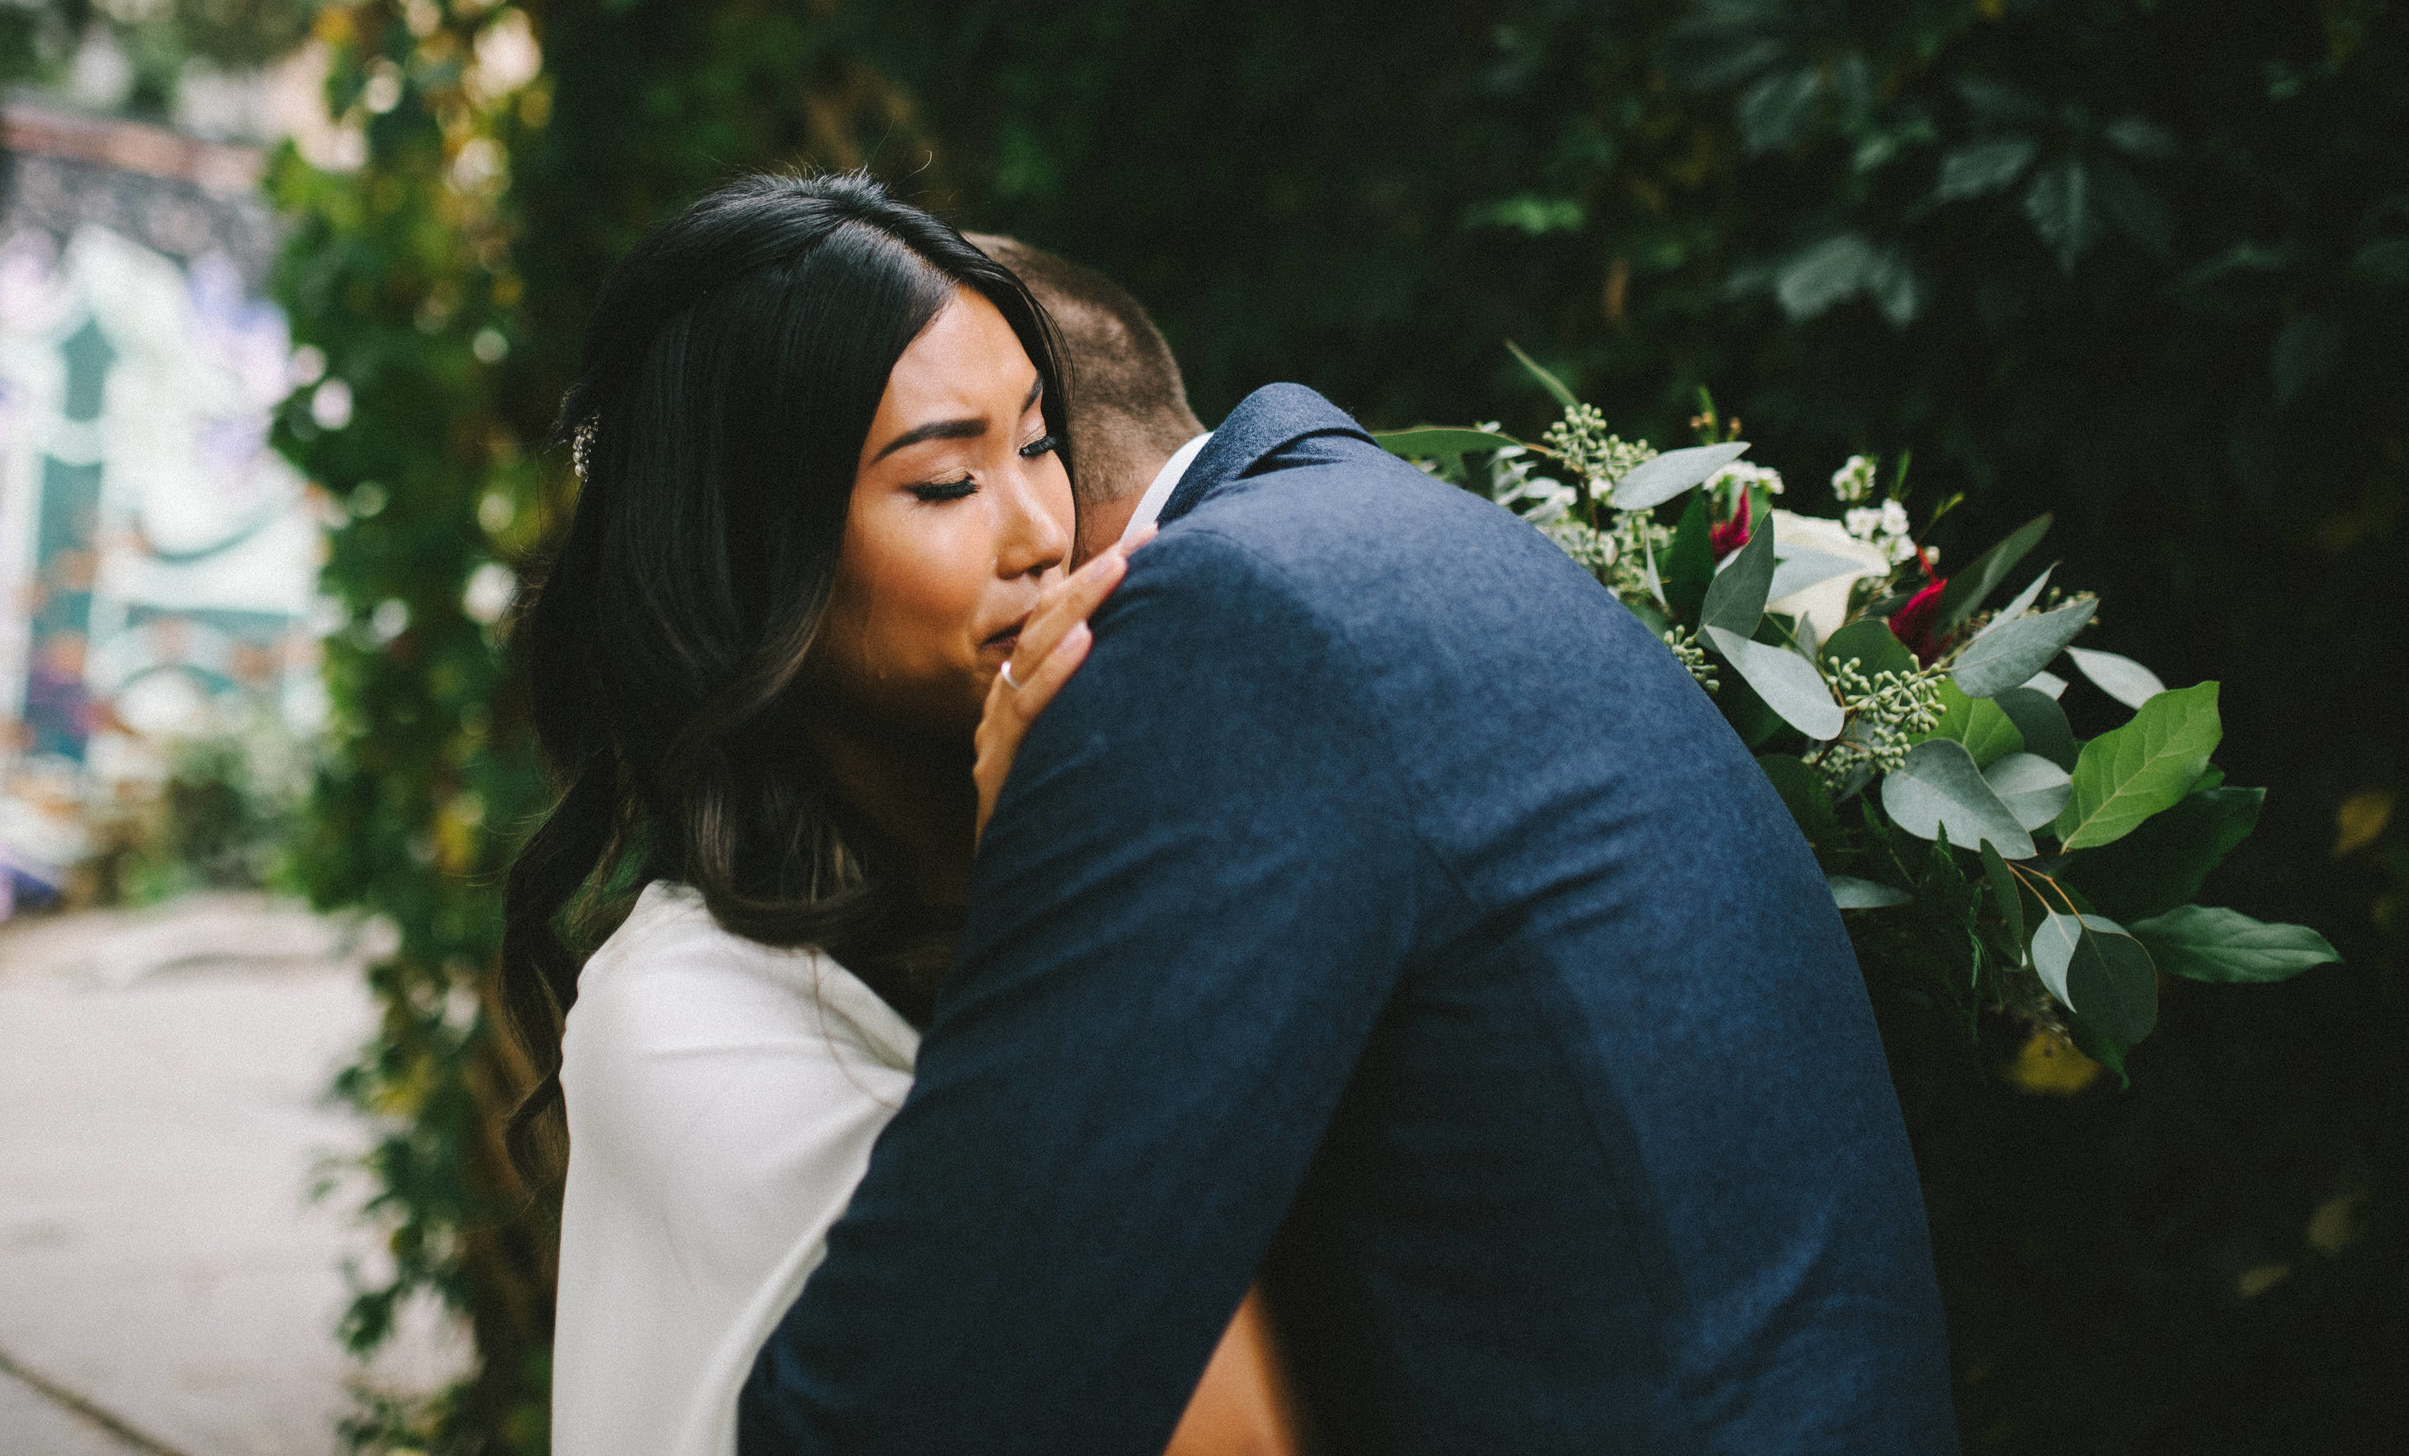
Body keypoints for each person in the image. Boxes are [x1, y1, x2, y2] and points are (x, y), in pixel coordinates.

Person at [731, 267, 1962, 1442]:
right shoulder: (1392, 536)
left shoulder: (1206, 645)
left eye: (984, 458)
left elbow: (923, 1408)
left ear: (1051, 429)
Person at [512, 174, 1304, 1456]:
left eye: (1038, 442)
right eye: (946, 485)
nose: (1040, 533)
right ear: (752, 564)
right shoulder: (687, 1021)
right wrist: (1072, 880)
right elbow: (1197, 1423)